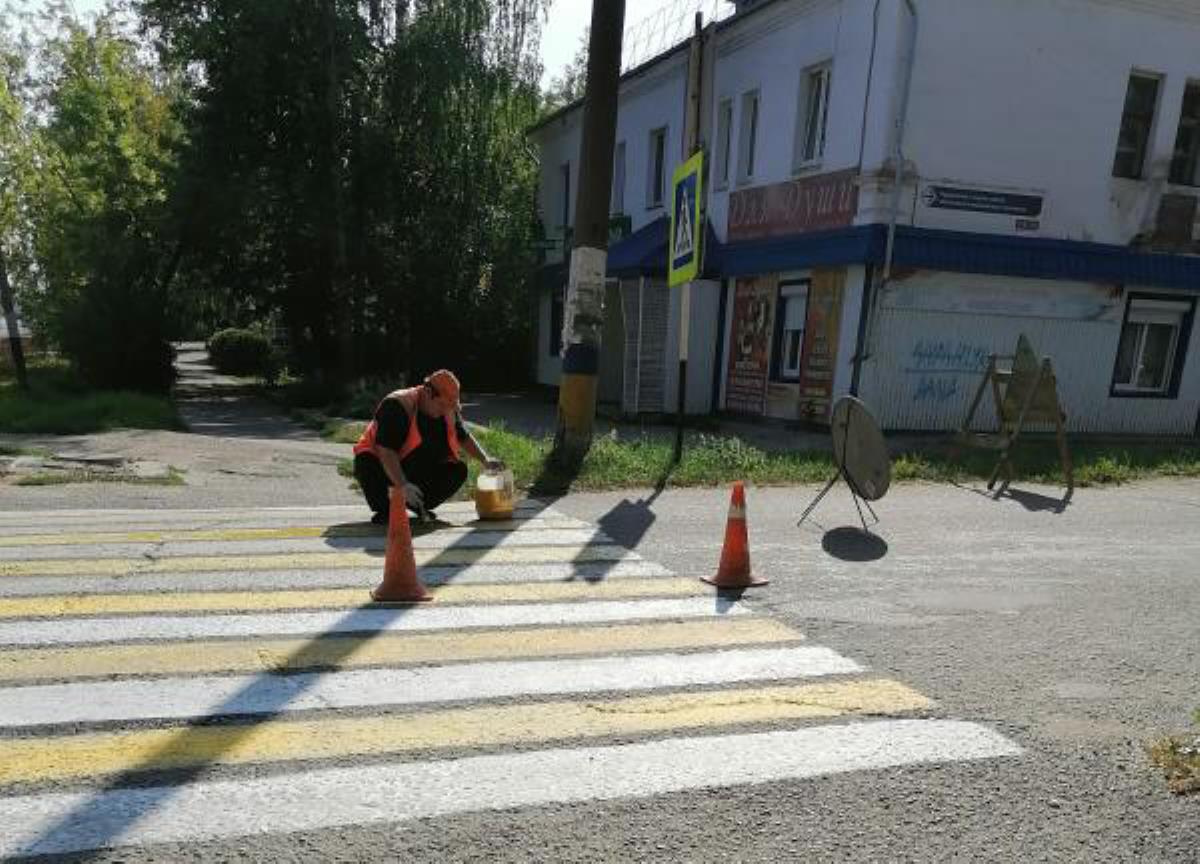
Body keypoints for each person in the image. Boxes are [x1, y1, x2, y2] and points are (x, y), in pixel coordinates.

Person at [352, 369, 502, 524]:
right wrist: (402, 484)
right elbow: (385, 450)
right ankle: (386, 509)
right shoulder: (397, 404)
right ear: (428, 392)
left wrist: (485, 459)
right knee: (367, 462)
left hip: (409, 464)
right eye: (442, 405)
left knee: (457, 471)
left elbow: (463, 436)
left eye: (450, 406)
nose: (445, 410)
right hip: (378, 464)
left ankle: (418, 505)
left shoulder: (448, 409)